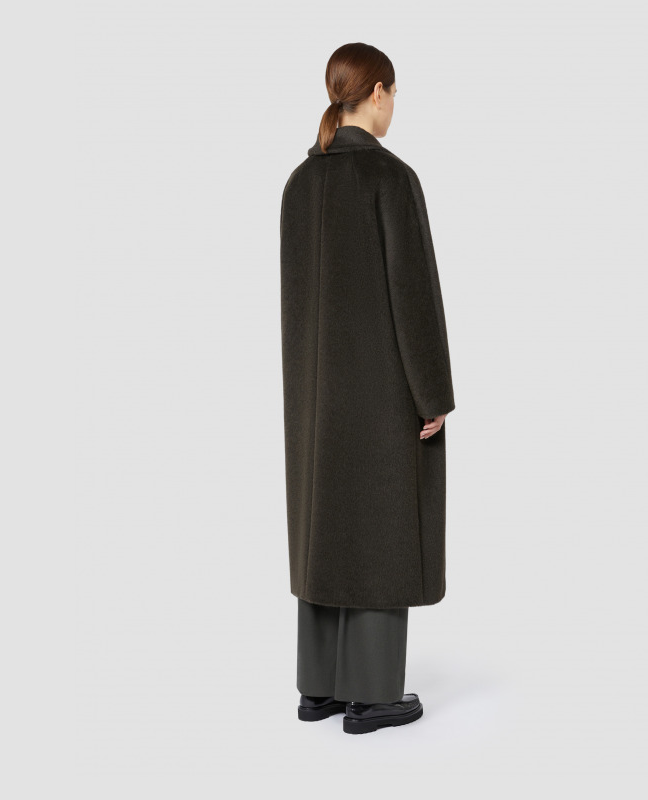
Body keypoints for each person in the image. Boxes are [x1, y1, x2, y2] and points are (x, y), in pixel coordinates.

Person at [279, 42, 456, 735]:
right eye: (394, 94)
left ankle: (319, 686)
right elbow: (415, 297)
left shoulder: (299, 183)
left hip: (314, 400)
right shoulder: (390, 178)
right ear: (377, 92)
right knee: (384, 527)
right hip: (382, 391)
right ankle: (374, 694)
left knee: (326, 524)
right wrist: (432, 393)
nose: (394, 106)